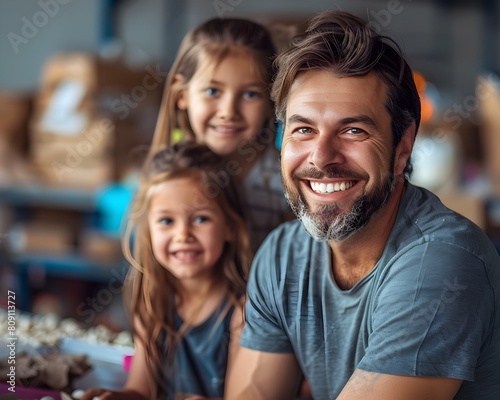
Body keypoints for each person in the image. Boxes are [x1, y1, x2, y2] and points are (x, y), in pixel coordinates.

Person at [226, 9, 500, 400]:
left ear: (402, 147)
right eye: (303, 129)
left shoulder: (442, 262)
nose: (321, 157)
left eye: (353, 130)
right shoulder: (282, 256)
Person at [82, 142, 251, 400]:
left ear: (229, 226)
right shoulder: (152, 302)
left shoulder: (242, 312)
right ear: (148, 231)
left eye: (200, 219)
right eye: (166, 221)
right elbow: (141, 390)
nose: (183, 235)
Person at [150, 17, 292, 254]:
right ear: (181, 94)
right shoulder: (165, 178)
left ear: (271, 99)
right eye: (212, 91)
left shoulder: (288, 185)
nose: (228, 112)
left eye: (250, 94)